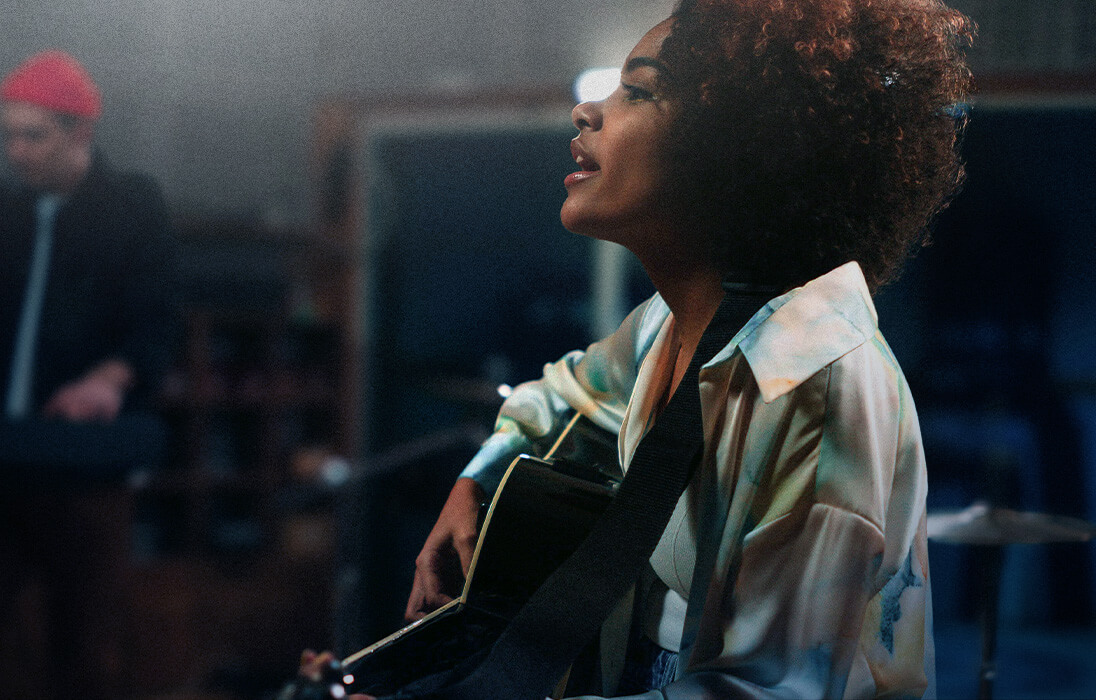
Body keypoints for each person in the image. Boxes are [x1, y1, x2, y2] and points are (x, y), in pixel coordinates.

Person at [306, 0, 973, 697]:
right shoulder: (668, 324)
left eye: (639, 92)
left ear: (738, 145)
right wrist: (478, 477)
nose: (586, 112)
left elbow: (766, 692)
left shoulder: (817, 384)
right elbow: (562, 397)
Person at [0, 49, 176, 700]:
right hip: (5, 457)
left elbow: (155, 316)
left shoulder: (132, 206)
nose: (16, 151)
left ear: (79, 133)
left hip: (79, 465)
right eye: (9, 135)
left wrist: (108, 377)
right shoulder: (8, 215)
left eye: (32, 135)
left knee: (85, 645)